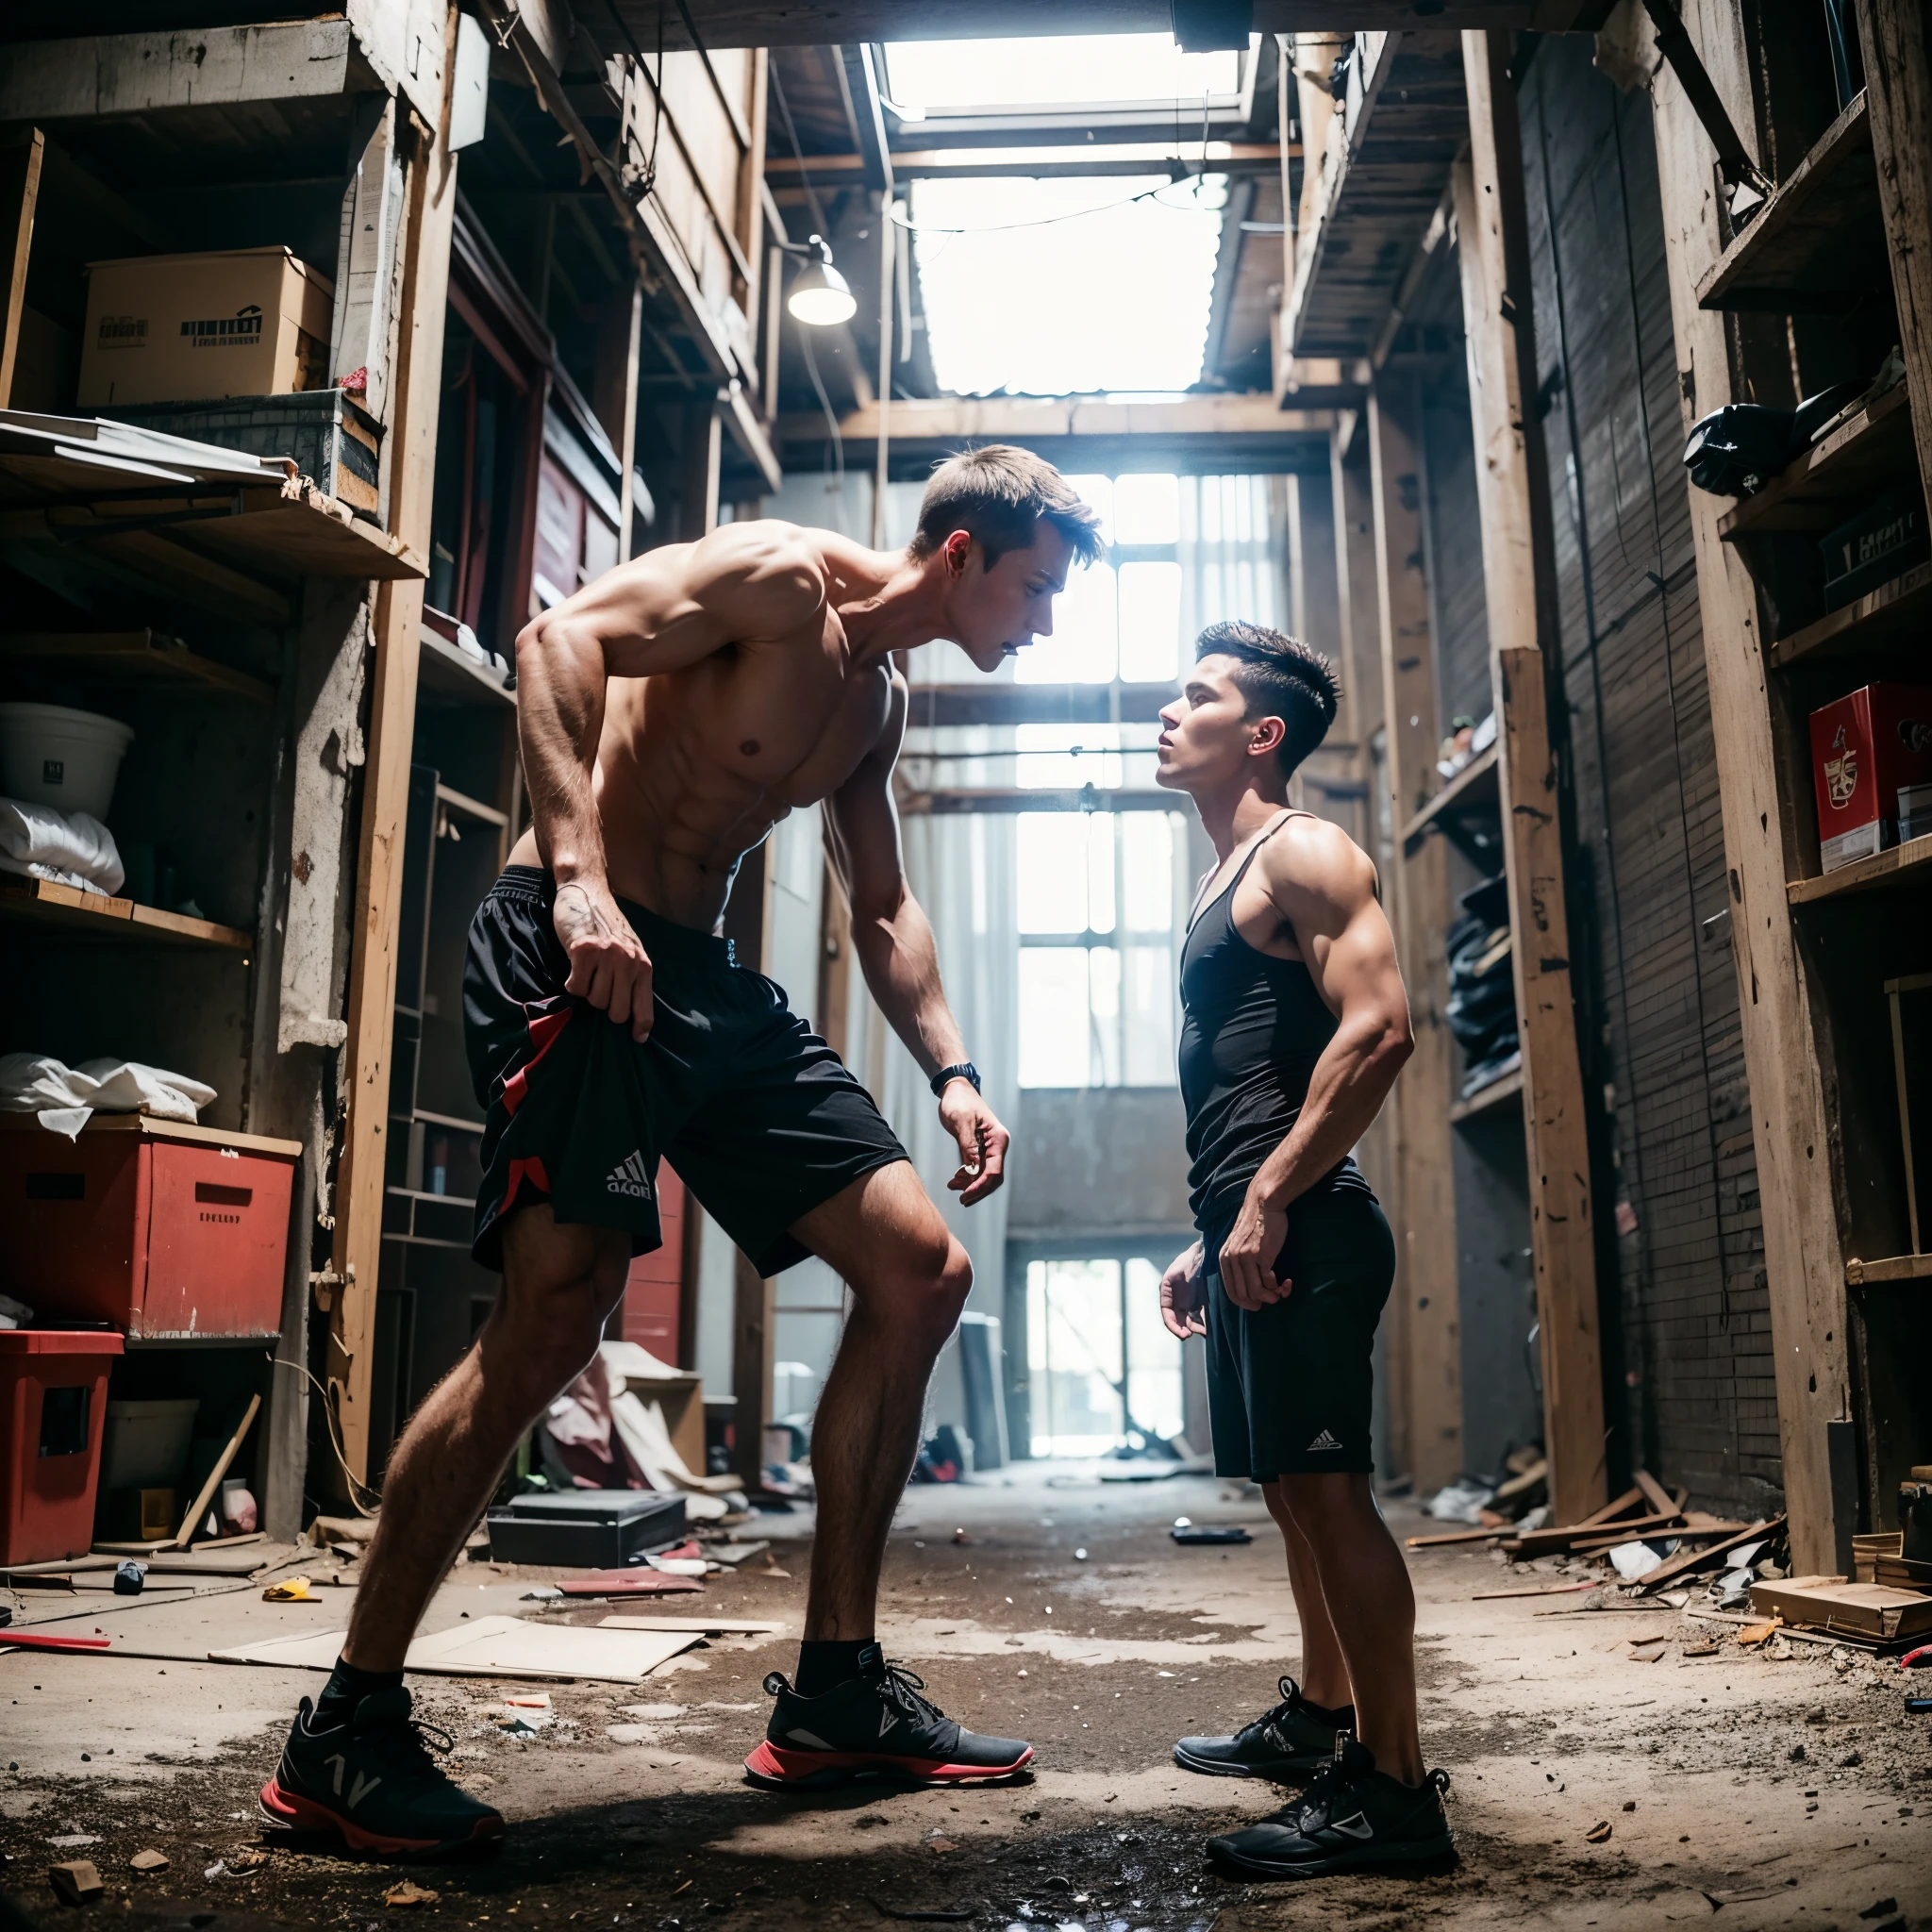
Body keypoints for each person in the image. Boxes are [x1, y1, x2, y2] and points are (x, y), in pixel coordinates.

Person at [260, 446, 1104, 1854]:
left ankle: (836, 1692)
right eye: (1038, 588)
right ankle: (346, 1730)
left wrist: (951, 1072)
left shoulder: (877, 704)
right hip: (576, 947)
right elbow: (557, 638)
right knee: (553, 1318)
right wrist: (580, 875)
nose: (1047, 622)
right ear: (962, 553)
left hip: (701, 981)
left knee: (920, 1270)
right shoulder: (775, 579)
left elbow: (882, 907)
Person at [1151, 621, 1452, 1877]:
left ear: (1261, 734)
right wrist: (1209, 1227)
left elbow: (1379, 1029)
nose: (1170, 709)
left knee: (1329, 1493)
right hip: (1257, 1226)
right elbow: (1253, 1075)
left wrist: (1269, 1202)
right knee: (1288, 1489)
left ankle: (1393, 1793)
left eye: (1200, 694)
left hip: (1311, 1230)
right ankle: (1324, 1716)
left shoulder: (1306, 850)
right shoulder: (1223, 882)